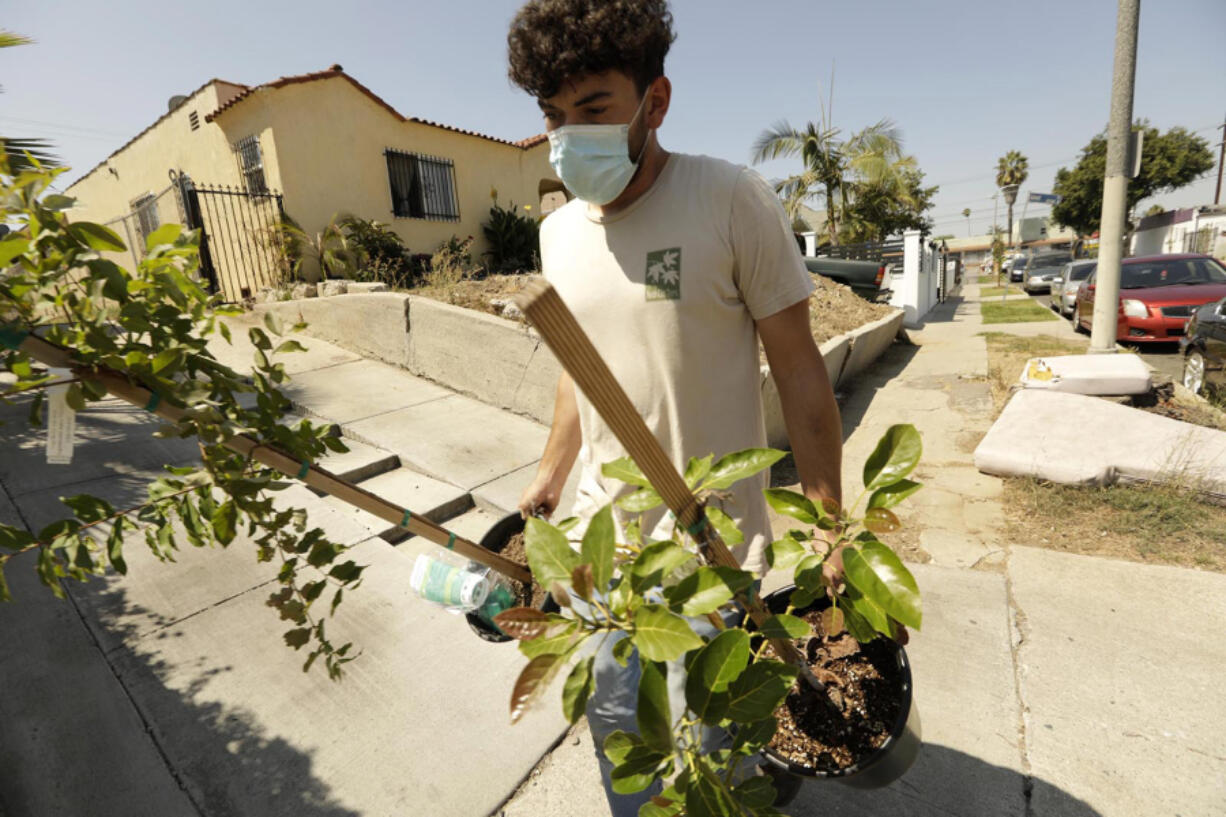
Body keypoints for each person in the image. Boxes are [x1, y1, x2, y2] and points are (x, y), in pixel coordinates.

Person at [507, 2, 844, 813]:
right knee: (634, 769)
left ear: (655, 102)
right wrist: (550, 476)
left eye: (592, 109)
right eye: (554, 115)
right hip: (605, 570)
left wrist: (832, 529)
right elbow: (578, 370)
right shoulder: (558, 233)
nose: (568, 135)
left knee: (724, 774)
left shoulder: (730, 199)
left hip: (718, 558)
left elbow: (801, 375)